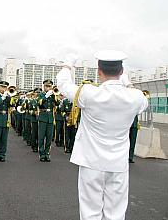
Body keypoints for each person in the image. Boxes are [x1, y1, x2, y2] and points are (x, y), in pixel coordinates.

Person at [57, 50, 148, 220]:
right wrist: (127, 83)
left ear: (99, 71)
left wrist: (68, 64)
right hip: (118, 163)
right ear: (121, 72)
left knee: (90, 211)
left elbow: (63, 84)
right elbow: (142, 100)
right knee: (116, 213)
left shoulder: (88, 93)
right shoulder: (135, 97)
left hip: (91, 162)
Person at [37, 80, 60, 162]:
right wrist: (46, 96)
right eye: (47, 86)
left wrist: (54, 96)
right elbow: (38, 103)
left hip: (50, 118)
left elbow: (57, 104)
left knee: (49, 137)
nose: (48, 88)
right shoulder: (41, 95)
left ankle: (47, 153)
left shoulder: (53, 95)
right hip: (43, 117)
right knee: (41, 137)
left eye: (49, 86)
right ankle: (42, 154)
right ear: (44, 87)